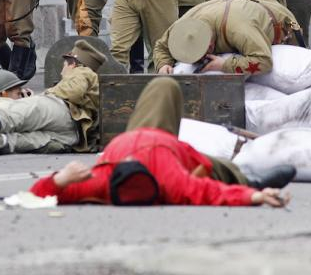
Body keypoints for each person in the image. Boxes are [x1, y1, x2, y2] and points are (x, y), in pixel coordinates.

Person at [29, 77, 292, 207]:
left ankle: (246, 178)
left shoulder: (101, 179)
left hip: (133, 136)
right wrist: (254, 194)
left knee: (163, 85)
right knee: (215, 169)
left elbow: (36, 194)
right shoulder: (169, 176)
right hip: (165, 144)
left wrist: (61, 179)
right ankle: (248, 178)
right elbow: (210, 192)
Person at [0, 40, 105, 156]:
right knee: (33, 140)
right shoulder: (91, 79)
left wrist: (44, 95)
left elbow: (72, 92)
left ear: (73, 63)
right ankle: (1, 142)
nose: (62, 69)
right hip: (74, 134)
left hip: (63, 111)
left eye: (64, 64)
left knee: (17, 111)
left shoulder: (82, 72)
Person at [154, 0, 301, 76]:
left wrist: (225, 65)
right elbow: (161, 46)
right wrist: (163, 65)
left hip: (279, 24)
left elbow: (264, 62)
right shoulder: (184, 25)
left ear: (211, 44)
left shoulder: (239, 29)